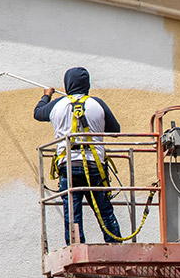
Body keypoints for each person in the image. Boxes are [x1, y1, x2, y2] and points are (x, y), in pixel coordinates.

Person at [34, 67, 122, 245]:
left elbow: (38, 113)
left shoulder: (57, 105)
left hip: (69, 167)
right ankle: (114, 244)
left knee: (72, 212)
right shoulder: (97, 104)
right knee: (104, 210)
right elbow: (115, 130)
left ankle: (75, 246)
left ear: (67, 84)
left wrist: (46, 95)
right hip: (94, 166)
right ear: (86, 84)